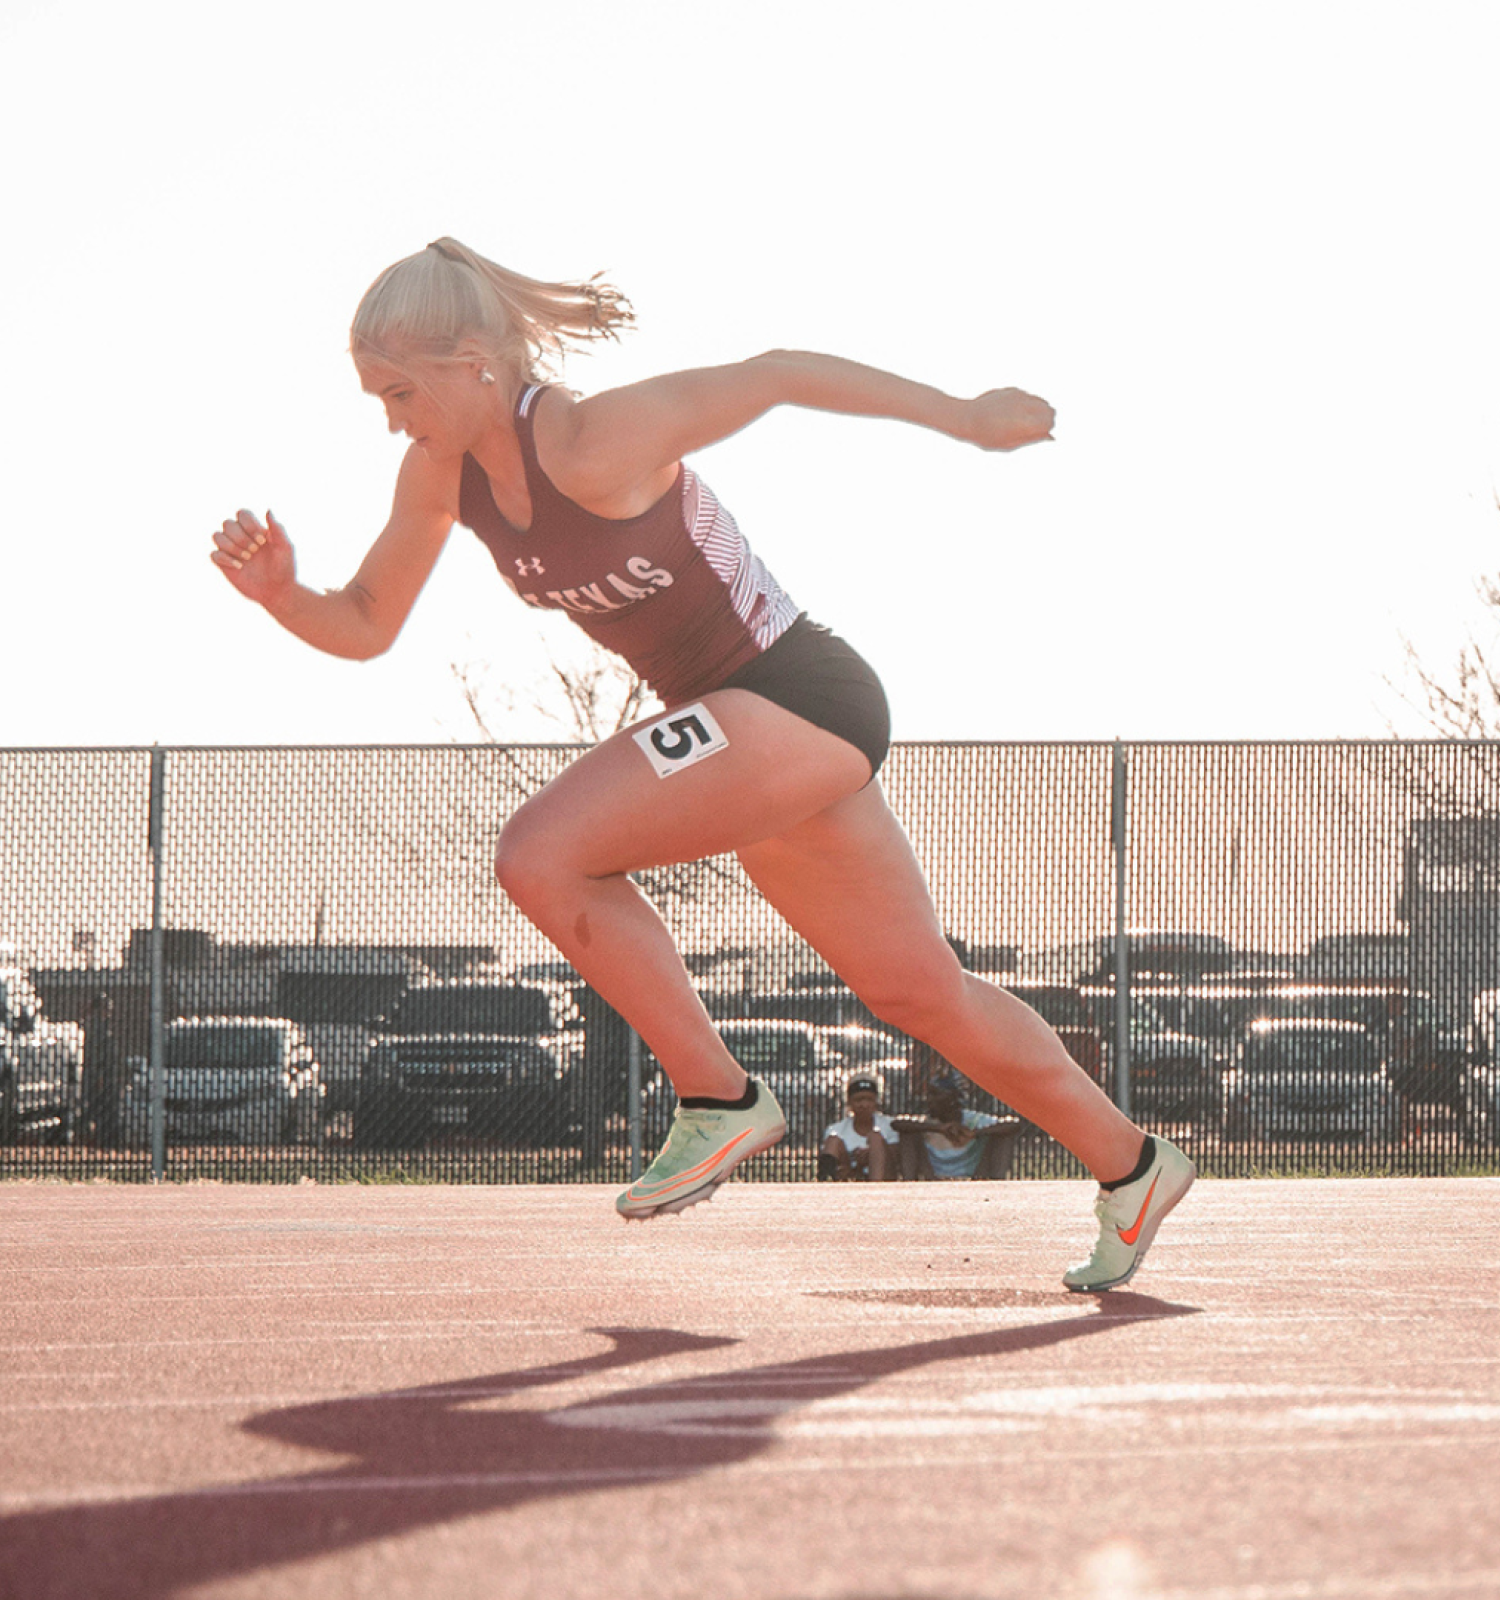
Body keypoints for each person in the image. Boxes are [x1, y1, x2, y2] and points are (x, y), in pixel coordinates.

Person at [211, 237, 1194, 1291]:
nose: (393, 419)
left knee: (540, 852)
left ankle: (718, 1095)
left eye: (400, 390)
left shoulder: (593, 438)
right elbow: (365, 622)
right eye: (378, 398)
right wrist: (282, 596)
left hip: (798, 695)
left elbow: (774, 373)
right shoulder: (439, 476)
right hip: (745, 737)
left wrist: (962, 414)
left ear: (471, 363)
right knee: (921, 990)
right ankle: (1133, 1164)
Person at [893, 1067, 1019, 1181]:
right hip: (932, 1177)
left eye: (935, 1094)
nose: (929, 1100)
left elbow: (1014, 1124)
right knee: (908, 1133)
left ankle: (996, 1183)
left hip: (973, 1177)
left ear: (953, 1098)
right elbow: (897, 1123)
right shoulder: (926, 1123)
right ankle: (909, 1183)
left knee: (1002, 1134)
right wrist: (939, 1128)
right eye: (929, 1094)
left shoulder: (973, 1120)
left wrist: (976, 1133)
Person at [819, 1074, 898, 1181]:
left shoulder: (889, 1125)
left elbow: (896, 1157)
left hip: (885, 1176)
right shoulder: (836, 1129)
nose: (864, 1105)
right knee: (833, 1140)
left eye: (869, 1100)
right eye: (858, 1100)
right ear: (849, 1102)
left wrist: (871, 1154)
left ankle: (875, 1187)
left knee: (875, 1138)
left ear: (876, 1101)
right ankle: (827, 1183)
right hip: (850, 1175)